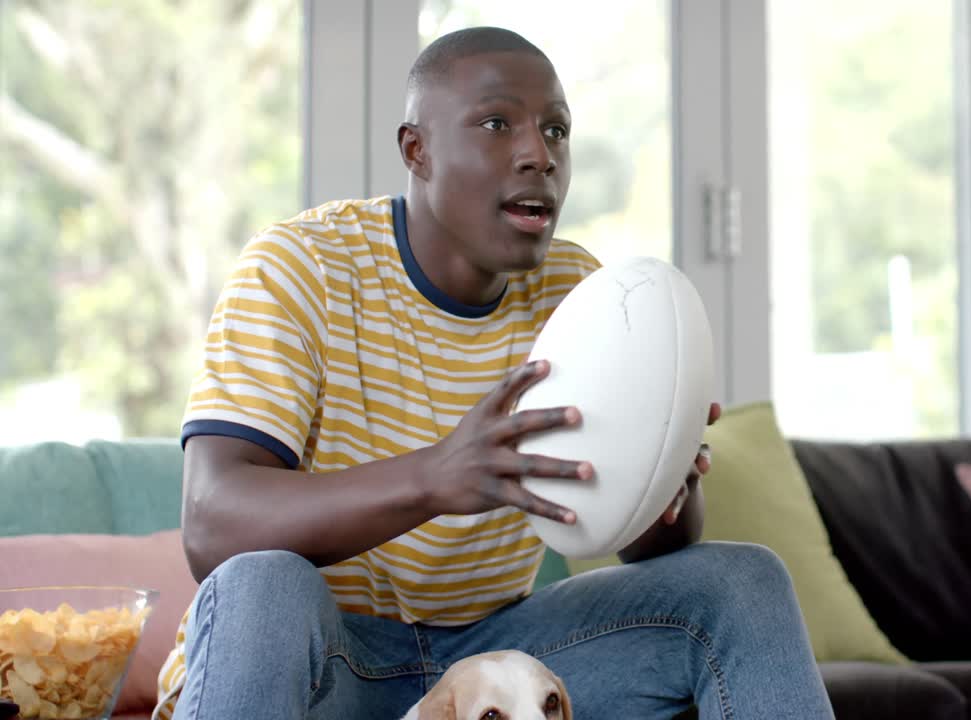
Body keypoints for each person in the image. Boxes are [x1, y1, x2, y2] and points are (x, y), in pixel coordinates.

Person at [157, 26, 834, 719]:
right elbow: (213, 526)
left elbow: (649, 545)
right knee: (265, 584)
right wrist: (434, 477)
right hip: (327, 661)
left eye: (557, 131)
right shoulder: (301, 267)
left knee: (743, 581)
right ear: (416, 150)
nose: (538, 154)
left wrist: (666, 479)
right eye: (496, 123)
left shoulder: (583, 293)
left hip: (502, 667)